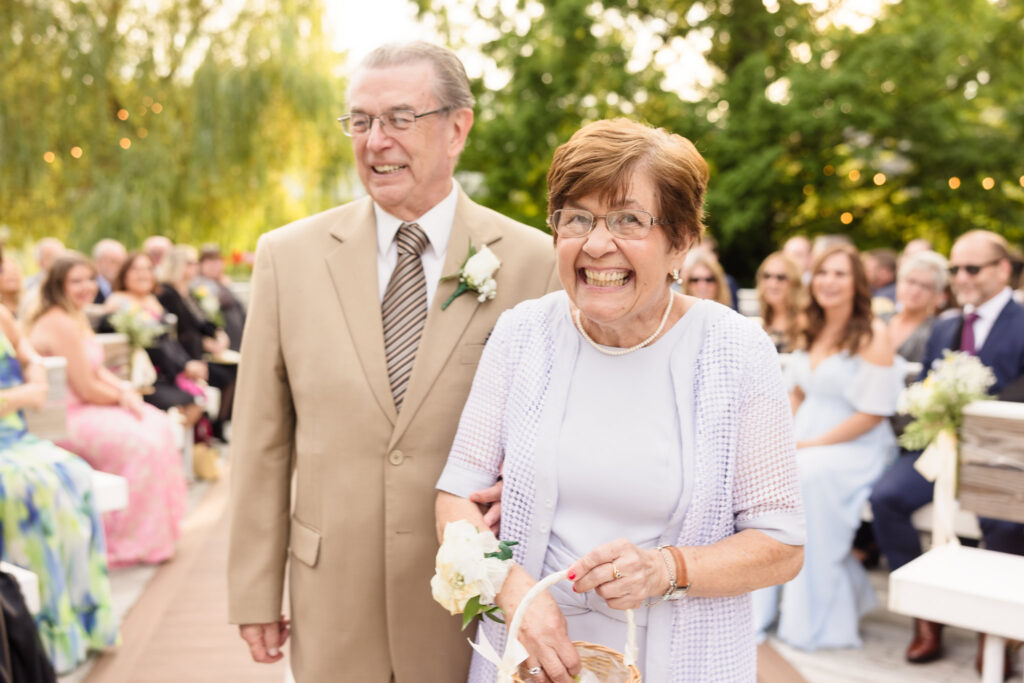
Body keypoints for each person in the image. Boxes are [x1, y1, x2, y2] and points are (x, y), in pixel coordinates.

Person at [226, 42, 560, 682]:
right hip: (332, 597)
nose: (375, 141)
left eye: (400, 119)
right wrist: (254, 592)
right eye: (360, 121)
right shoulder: (285, 258)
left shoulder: (533, 262)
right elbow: (262, 442)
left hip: (472, 604)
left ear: (457, 127)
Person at [435, 118, 804, 683]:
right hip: (531, 659)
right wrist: (515, 596)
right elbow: (457, 496)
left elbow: (781, 545)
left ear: (680, 241)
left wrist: (667, 568)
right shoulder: (523, 333)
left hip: (682, 662)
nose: (596, 243)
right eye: (576, 218)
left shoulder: (735, 350)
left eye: (628, 219)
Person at [869, 230, 1024, 670]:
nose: (961, 277)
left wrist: (974, 407)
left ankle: (995, 632)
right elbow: (927, 382)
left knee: (1005, 521)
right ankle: (928, 619)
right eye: (955, 269)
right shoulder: (945, 324)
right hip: (941, 446)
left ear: (1002, 270)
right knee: (886, 499)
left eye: (971, 268)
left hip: (1002, 454)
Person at [752, 243, 901, 651]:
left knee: (807, 474)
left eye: (840, 274)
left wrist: (810, 444)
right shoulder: (811, 326)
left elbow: (873, 413)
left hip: (858, 445)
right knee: (769, 471)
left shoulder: (873, 333)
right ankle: (759, 606)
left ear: (857, 283)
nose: (829, 282)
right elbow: (798, 389)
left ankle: (810, 619)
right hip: (807, 435)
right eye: (823, 273)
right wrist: (779, 434)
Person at [26, 253, 187, 567]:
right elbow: (85, 387)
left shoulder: (76, 315)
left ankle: (156, 533)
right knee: (142, 444)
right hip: (64, 418)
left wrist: (124, 391)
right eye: (76, 281)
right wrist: (120, 399)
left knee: (157, 424)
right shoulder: (58, 321)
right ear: (58, 285)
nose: (87, 286)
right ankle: (127, 540)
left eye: (89, 278)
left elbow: (97, 371)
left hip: (87, 407)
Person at [0, 253, 118, 674]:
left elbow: (29, 358)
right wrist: (16, 398)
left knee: (76, 474)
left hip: (18, 438)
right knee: (33, 489)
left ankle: (82, 621)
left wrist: (32, 378)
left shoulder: (3, 316)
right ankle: (35, 633)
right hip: (4, 451)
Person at [104, 252, 208, 428]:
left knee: (198, 396)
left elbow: (169, 340)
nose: (142, 274)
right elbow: (152, 345)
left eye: (147, 269)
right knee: (186, 401)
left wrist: (188, 363)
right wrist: (184, 366)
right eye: (135, 269)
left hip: (166, 372)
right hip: (139, 376)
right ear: (125, 274)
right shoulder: (118, 301)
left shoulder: (154, 300)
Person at [157, 245, 235, 437]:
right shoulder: (167, 293)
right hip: (183, 358)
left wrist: (218, 334)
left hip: (197, 353)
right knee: (226, 378)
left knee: (233, 372)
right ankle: (212, 430)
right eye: (190, 263)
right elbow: (179, 331)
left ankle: (217, 426)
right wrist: (204, 344)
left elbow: (202, 322)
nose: (195, 267)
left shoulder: (188, 292)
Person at [883, 250, 948, 364]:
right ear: (899, 283)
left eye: (925, 286)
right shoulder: (880, 319)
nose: (915, 291)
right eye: (911, 282)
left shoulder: (936, 332)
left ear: (937, 295)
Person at [192, 244, 246, 351]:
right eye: (209, 262)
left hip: (238, 337)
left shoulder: (223, 282)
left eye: (216, 261)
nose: (214, 266)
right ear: (201, 265)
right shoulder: (199, 284)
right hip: (223, 338)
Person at [756, 251, 804, 353]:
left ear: (794, 283)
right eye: (767, 276)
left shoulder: (804, 321)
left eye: (781, 277)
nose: (772, 283)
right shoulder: (763, 321)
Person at [91, 239, 127, 305]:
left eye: (122, 262)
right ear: (98, 262)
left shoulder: (126, 287)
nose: (119, 266)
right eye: (113, 261)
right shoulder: (89, 287)